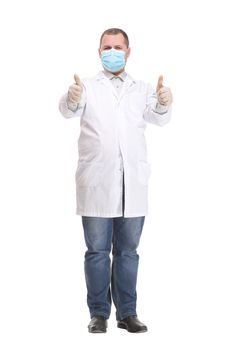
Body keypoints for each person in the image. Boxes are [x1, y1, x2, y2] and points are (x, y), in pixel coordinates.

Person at [59, 28, 173, 333]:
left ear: (128, 51)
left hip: (132, 185)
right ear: (99, 52)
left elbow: (160, 118)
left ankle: (127, 313)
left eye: (118, 47)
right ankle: (98, 314)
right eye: (107, 47)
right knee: (97, 252)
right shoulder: (87, 87)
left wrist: (163, 101)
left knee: (128, 252)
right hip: (96, 183)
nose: (112, 51)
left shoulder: (143, 88)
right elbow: (67, 110)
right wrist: (70, 98)